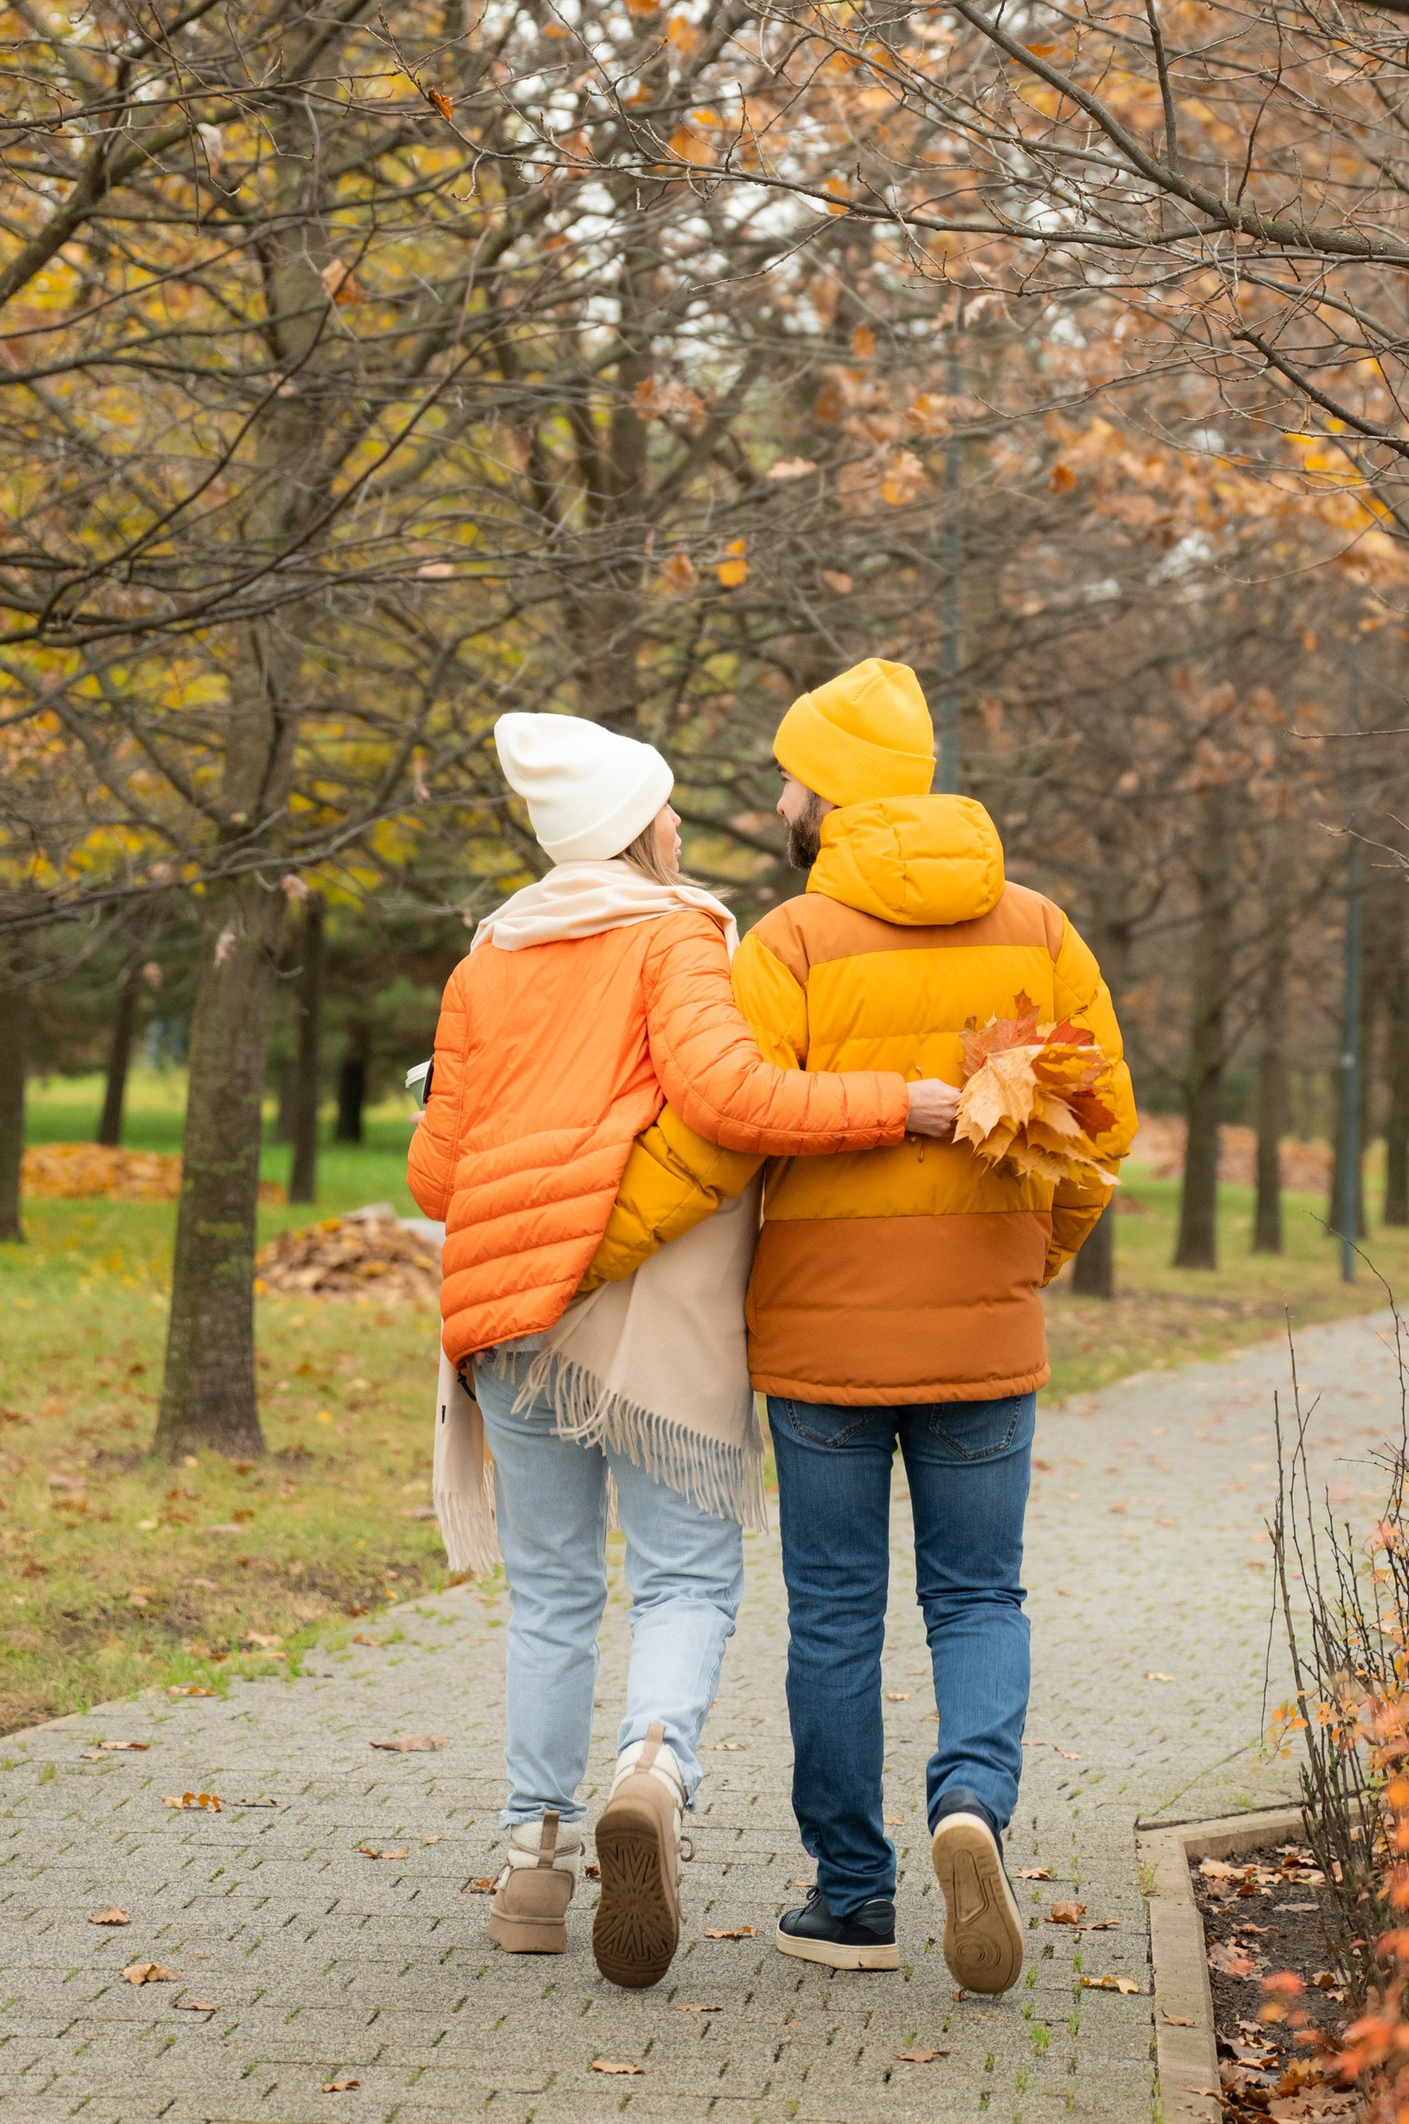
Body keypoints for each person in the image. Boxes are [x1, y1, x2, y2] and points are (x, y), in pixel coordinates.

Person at [406, 709, 959, 1989]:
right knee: (684, 1581)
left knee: (549, 1595)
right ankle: (652, 1767)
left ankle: (532, 1866)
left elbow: (438, 1169)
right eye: (660, 806)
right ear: (635, 824)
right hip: (653, 1316)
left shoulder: (488, 951)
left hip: (512, 1318)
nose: (676, 823)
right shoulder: (681, 933)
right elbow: (730, 1100)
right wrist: (902, 1100)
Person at [738, 656, 1133, 1996]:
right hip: (981, 1326)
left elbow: (736, 1118)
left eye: (791, 771)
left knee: (835, 1612)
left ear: (829, 793)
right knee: (978, 1593)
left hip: (820, 1334)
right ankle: (972, 1805)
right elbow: (1104, 1121)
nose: (779, 795)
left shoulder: (789, 939)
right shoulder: (1038, 925)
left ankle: (853, 1898)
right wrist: (1036, 1251)